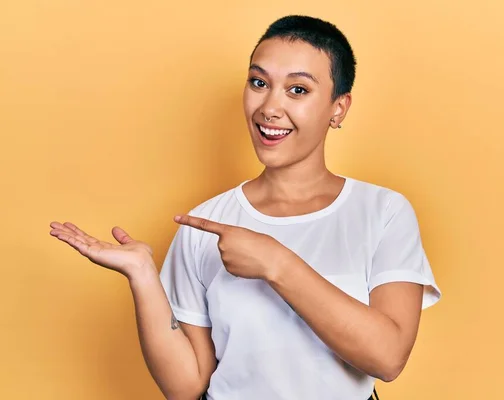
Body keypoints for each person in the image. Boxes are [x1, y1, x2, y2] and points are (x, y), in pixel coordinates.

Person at [49, 15, 441, 400]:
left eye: (298, 90)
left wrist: (276, 262)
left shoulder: (382, 212)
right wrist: (143, 277)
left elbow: (388, 358)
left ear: (338, 108)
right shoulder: (206, 224)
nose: (269, 107)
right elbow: (186, 386)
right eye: (259, 83)